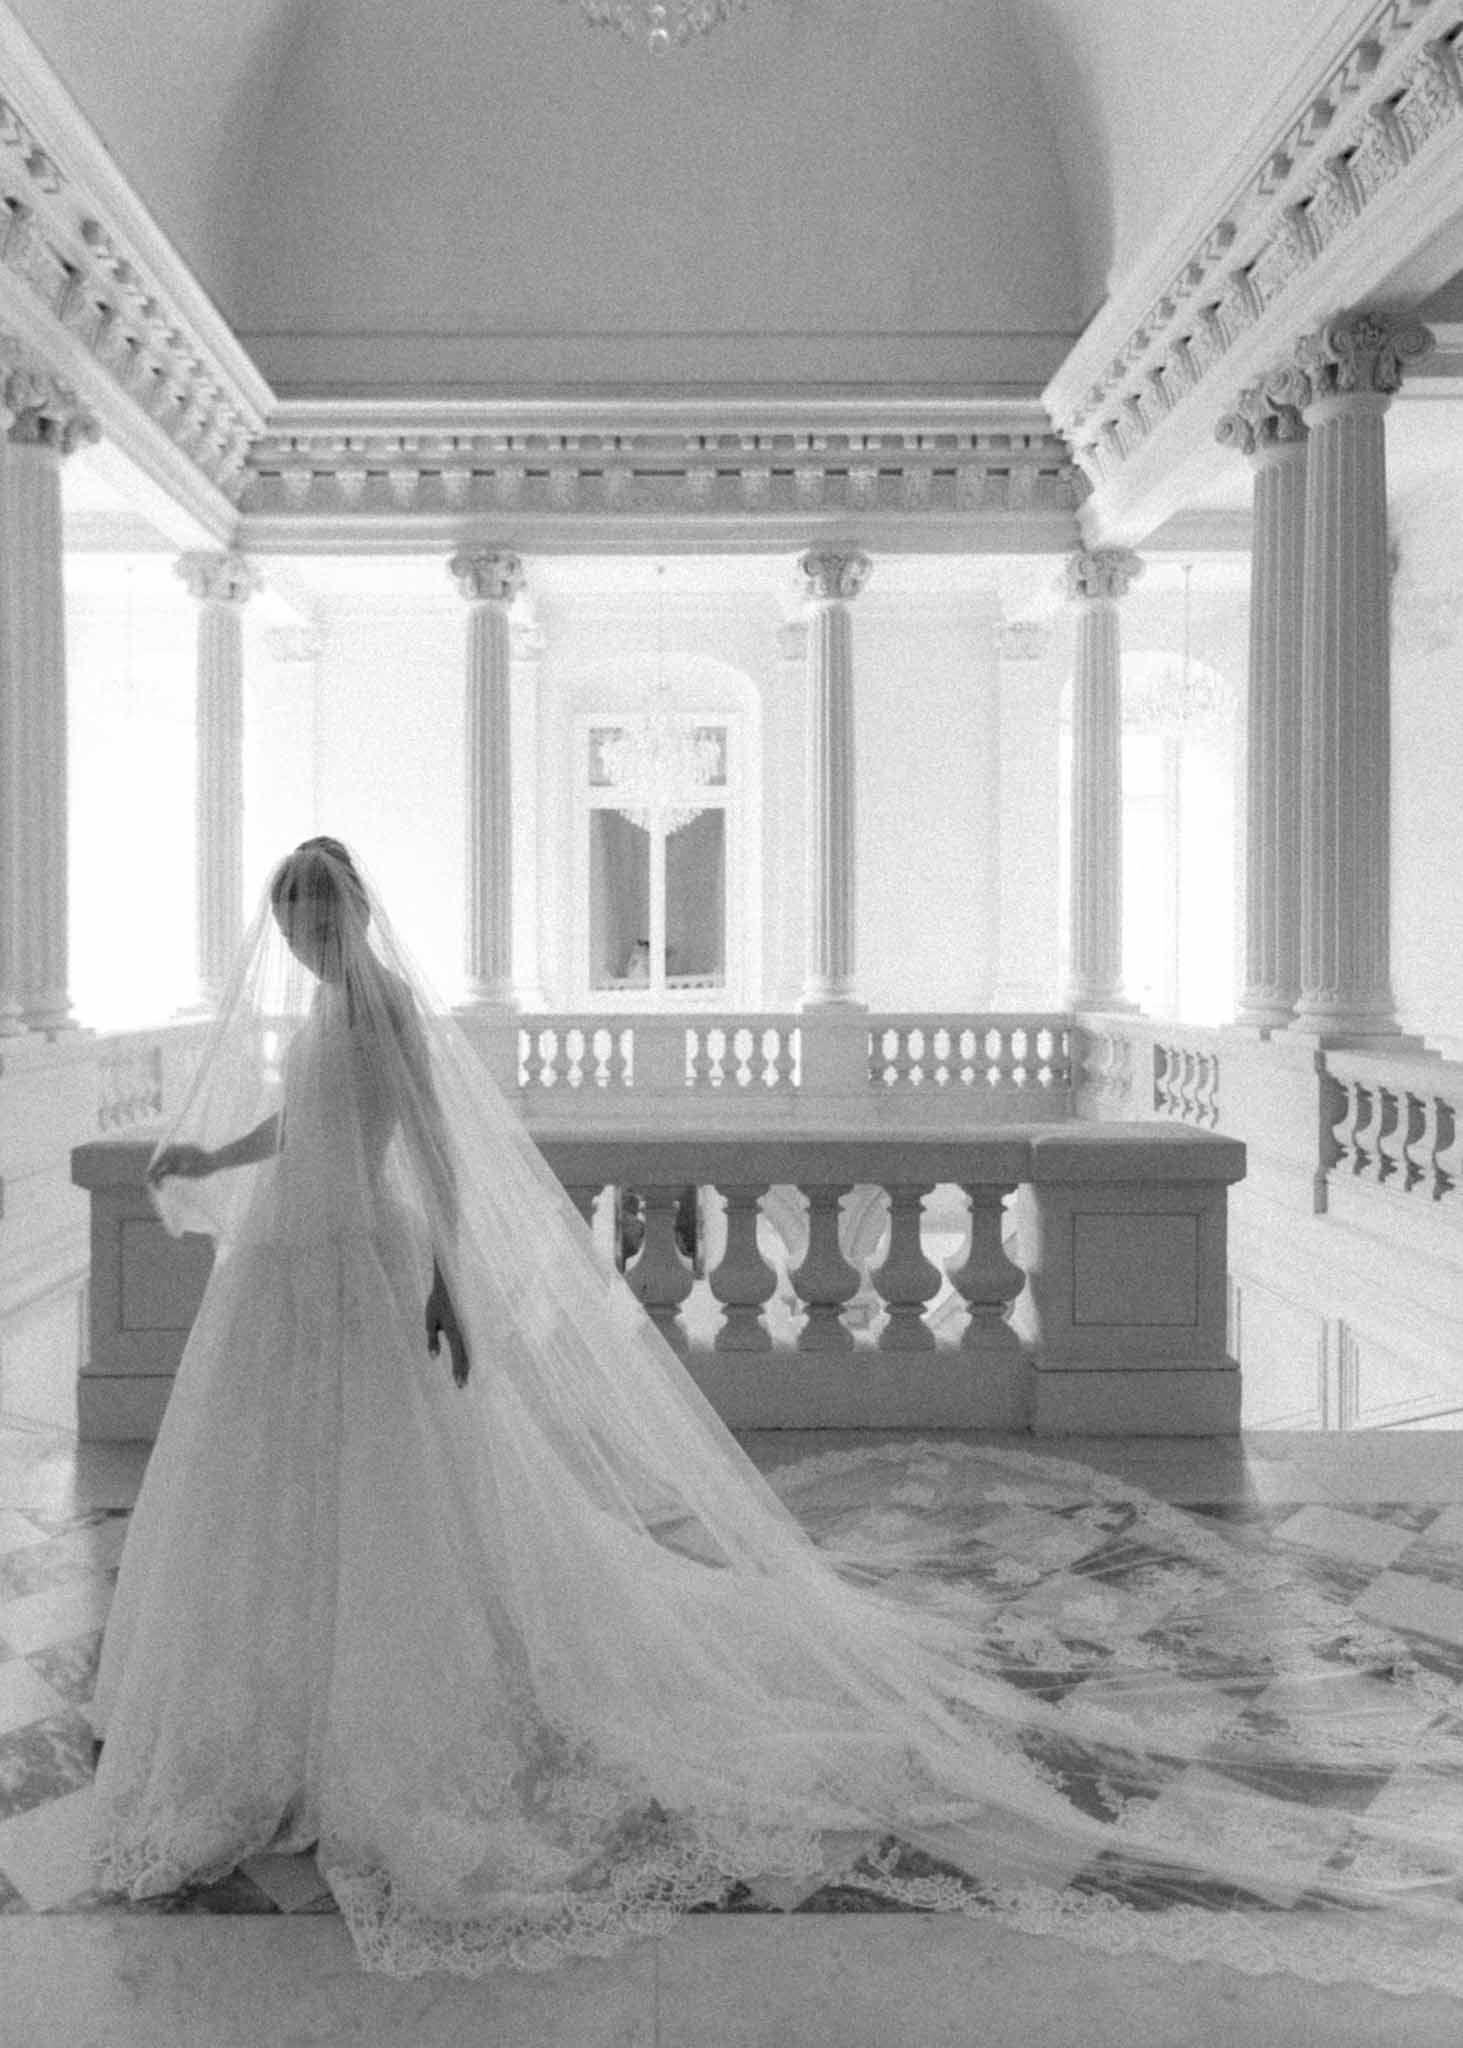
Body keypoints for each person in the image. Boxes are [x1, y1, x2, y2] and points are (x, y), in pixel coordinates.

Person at [88, 838, 1463, 1990]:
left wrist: (448, 1280)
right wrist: (213, 1150)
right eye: (292, 917)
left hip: (364, 1271)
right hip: (288, 1266)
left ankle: (384, 1704)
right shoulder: (321, 1015)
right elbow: (305, 1126)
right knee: (288, 1491)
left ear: (353, 914)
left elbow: (433, 1151)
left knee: (392, 1495)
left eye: (320, 912)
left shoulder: (378, 1003)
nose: (308, 933)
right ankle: (279, 1695)